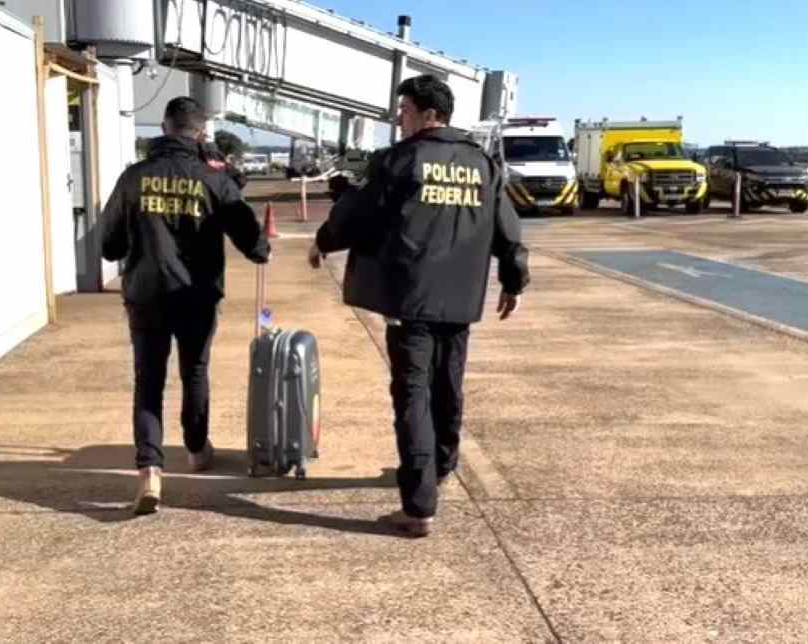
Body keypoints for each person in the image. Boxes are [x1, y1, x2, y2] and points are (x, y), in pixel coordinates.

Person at [308, 75, 530, 537]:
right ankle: (440, 468)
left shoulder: (398, 160)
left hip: (410, 299)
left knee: (412, 395)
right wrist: (514, 279)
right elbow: (506, 227)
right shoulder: (482, 164)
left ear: (429, 113)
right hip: (460, 299)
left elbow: (355, 215)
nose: (399, 117)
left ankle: (418, 504)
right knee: (448, 387)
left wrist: (324, 241)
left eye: (404, 108)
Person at [100, 96, 271, 515]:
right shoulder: (214, 179)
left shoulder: (134, 177)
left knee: (148, 380)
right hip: (197, 296)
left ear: (163, 127)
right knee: (194, 370)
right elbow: (254, 245)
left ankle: (150, 472)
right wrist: (263, 245)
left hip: (145, 293)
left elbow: (109, 246)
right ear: (200, 132)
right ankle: (196, 449)